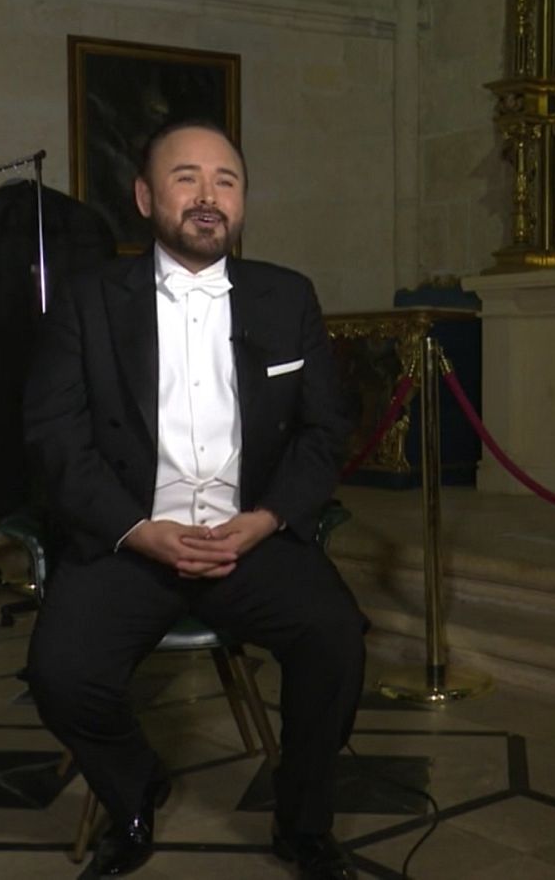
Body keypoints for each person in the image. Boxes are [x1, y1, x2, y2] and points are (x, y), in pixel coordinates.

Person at [22, 119, 365, 879]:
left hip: (251, 539)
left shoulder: (288, 296)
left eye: (227, 181)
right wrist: (136, 529)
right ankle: (134, 788)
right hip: (132, 540)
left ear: (243, 202)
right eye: (187, 178)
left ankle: (303, 822)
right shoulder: (88, 301)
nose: (209, 196)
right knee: (60, 674)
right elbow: (54, 438)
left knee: (335, 640)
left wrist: (266, 520)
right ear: (146, 196)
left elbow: (322, 432)